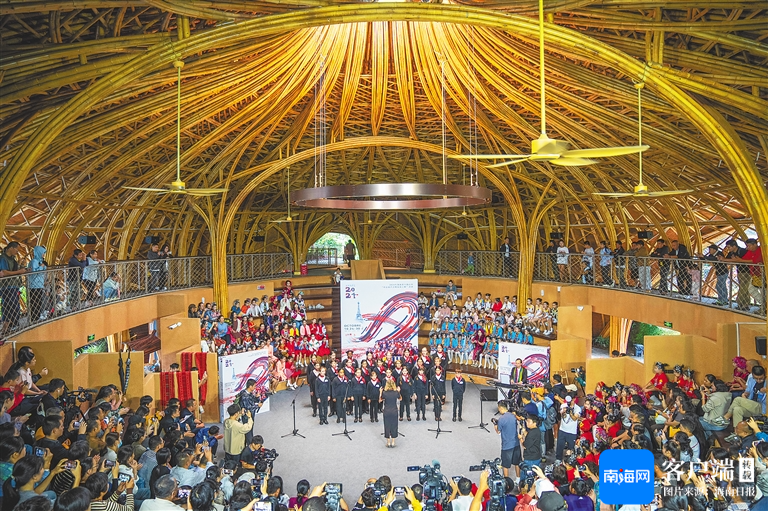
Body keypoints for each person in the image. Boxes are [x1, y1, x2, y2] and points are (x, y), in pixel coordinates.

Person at [0, 242, 28, 334]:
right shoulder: (3, 258)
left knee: (10, 306)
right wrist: (19, 271)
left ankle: (7, 327)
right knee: (11, 306)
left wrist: (21, 267)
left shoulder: (12, 259)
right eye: (16, 249)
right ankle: (10, 326)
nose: (17, 251)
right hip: (6, 286)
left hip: (13, 285)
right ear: (11, 248)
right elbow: (4, 272)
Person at [494, 401, 519, 479]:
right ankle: (518, 479)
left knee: (505, 465)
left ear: (501, 408)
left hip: (507, 445)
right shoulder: (513, 416)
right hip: (516, 443)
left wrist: (495, 425)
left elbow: (498, 431)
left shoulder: (502, 419)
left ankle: (507, 482)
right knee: (517, 463)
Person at [27, 245, 49, 322]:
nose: (43, 255)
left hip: (39, 284)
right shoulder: (34, 261)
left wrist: (43, 265)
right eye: (43, 253)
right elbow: (34, 272)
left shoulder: (39, 261)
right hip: (33, 285)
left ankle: (37, 317)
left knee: (39, 302)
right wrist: (42, 266)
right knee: (34, 302)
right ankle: (33, 318)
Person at [556, 396, 581, 460]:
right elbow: (562, 416)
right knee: (559, 447)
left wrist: (570, 412)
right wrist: (564, 411)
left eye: (571, 400)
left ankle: (570, 461)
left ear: (574, 399)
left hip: (572, 432)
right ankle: (558, 460)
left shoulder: (577, 408)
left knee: (571, 449)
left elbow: (575, 418)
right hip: (562, 430)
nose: (570, 402)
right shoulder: (564, 405)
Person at [382, 380, 400, 448]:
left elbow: (380, 400)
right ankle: (393, 442)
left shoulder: (384, 393)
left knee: (387, 426)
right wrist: (399, 391)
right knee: (394, 425)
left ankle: (388, 442)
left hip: (386, 411)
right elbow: (400, 398)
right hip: (394, 411)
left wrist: (381, 392)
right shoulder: (396, 393)